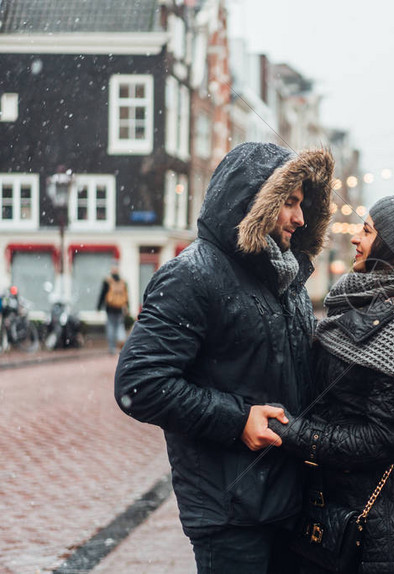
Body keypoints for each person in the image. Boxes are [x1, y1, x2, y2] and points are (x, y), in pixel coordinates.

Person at [114, 142, 333, 573]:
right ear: (255, 202)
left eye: (303, 205)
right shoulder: (192, 275)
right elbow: (139, 383)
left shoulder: (286, 278)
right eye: (288, 203)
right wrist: (238, 421)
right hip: (230, 512)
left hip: (287, 503)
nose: (299, 218)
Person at [269, 195, 394, 574]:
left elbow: (381, 438)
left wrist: (292, 432)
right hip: (341, 496)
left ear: (393, 247)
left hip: (377, 522)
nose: (356, 239)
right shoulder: (367, 297)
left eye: (367, 230)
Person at [96, 265, 129, 354]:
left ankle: (112, 347)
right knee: (119, 326)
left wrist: (98, 307)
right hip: (119, 308)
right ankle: (122, 342)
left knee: (110, 326)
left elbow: (102, 294)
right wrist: (127, 307)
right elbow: (126, 296)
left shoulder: (107, 281)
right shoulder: (123, 282)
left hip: (110, 308)